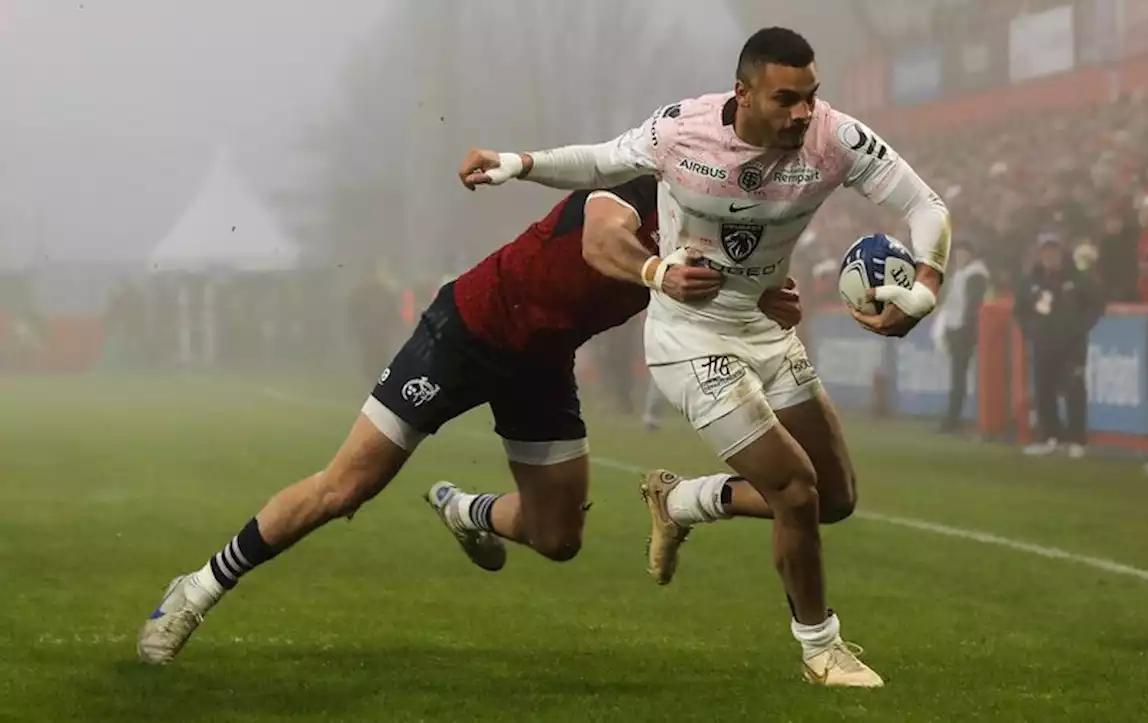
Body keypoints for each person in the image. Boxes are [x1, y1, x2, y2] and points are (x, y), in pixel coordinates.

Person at [457, 27, 951, 687]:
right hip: (689, 339)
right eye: (785, 99)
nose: (802, 113)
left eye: (810, 96)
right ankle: (820, 648)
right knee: (796, 491)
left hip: (766, 327)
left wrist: (922, 291)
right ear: (742, 92)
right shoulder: (682, 131)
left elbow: (924, 205)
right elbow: (602, 163)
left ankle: (684, 501)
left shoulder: (834, 138)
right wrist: (518, 163)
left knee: (835, 496)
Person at [136, 176, 802, 665]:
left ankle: (467, 511)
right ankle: (194, 590)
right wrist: (659, 271)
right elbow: (604, 245)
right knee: (346, 487)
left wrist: (762, 297)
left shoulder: (717, 238)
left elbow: (723, 293)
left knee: (558, 536)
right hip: (465, 332)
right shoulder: (632, 189)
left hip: (541, 363)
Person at [1014, 232, 1105, 459]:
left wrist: (1079, 328)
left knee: (1073, 389)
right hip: (1043, 344)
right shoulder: (1032, 280)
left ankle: (1076, 440)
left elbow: (1096, 305)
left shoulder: (1078, 278)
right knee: (1044, 391)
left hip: (1072, 344)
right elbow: (1020, 310)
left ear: (1061, 252)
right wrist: (1031, 331)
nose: (1050, 255)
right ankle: (1050, 437)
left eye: (1054, 250)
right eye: (1046, 250)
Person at [931, 241, 988, 434]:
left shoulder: (975, 274)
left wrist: (965, 329)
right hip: (957, 328)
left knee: (960, 376)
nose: (959, 256)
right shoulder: (962, 274)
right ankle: (953, 416)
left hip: (966, 330)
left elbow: (972, 306)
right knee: (958, 376)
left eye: (962, 252)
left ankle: (954, 418)